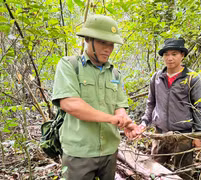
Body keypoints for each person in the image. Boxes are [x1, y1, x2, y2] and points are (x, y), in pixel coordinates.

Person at [52, 14, 139, 180]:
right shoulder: (70, 65)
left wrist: (126, 122)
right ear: (87, 39)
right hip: (79, 152)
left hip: (109, 151)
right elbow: (71, 104)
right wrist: (111, 119)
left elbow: (119, 107)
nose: (108, 48)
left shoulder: (115, 73)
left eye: (111, 44)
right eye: (102, 42)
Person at [139, 37, 201, 179]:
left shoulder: (192, 78)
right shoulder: (157, 78)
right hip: (160, 134)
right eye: (166, 54)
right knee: (155, 171)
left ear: (182, 55)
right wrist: (145, 122)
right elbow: (151, 103)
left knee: (183, 173)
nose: (169, 58)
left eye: (174, 54)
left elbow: (199, 107)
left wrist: (199, 134)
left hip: (183, 135)